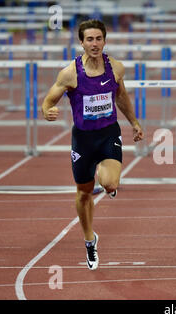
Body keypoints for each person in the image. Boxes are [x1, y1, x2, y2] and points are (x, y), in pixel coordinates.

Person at [42, 19, 143, 270]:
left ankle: (106, 178)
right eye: (90, 39)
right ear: (82, 42)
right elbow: (48, 101)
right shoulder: (69, 73)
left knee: (110, 183)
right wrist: (47, 111)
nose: (94, 44)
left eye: (98, 39)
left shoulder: (116, 68)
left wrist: (134, 122)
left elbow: (121, 97)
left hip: (109, 134)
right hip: (83, 140)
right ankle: (90, 240)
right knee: (84, 192)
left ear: (105, 40)